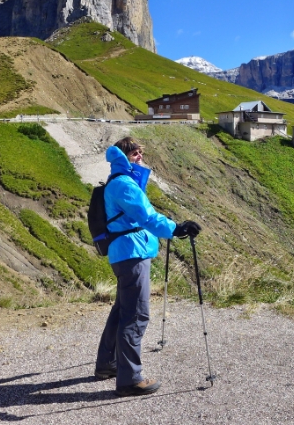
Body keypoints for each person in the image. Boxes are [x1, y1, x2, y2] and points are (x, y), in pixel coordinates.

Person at [94, 136, 201, 397]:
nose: (140, 156)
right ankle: (130, 379)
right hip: (132, 253)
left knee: (122, 311)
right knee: (136, 315)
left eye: (141, 152)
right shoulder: (124, 184)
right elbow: (146, 217)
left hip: (125, 253)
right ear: (124, 156)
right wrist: (176, 229)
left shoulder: (119, 181)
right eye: (134, 153)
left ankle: (108, 364)